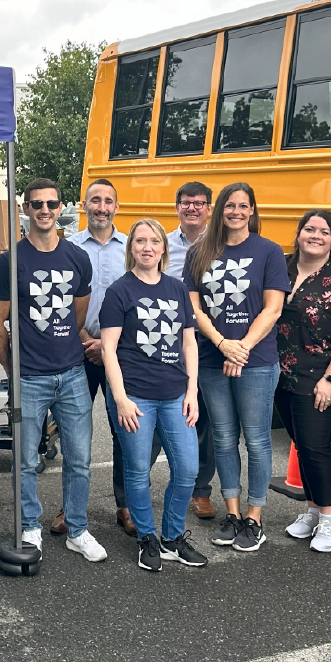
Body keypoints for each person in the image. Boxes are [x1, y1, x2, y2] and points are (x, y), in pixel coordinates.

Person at [0, 177, 107, 563]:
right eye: (36, 204)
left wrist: (63, 344)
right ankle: (31, 528)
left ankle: (77, 529)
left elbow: (79, 313)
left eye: (51, 204)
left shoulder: (77, 258)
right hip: (29, 378)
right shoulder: (9, 262)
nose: (44, 210)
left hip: (72, 373)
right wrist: (12, 367)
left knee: (80, 458)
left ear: (61, 209)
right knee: (24, 462)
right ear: (24, 209)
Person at [49, 178, 159, 539]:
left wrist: (110, 345)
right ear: (83, 206)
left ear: (116, 206)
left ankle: (126, 505)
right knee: (74, 432)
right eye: (94, 200)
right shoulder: (67, 248)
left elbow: (142, 303)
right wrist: (85, 339)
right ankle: (71, 506)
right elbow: (60, 302)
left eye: (108, 201)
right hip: (76, 350)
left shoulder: (131, 248)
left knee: (123, 431)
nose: (101, 207)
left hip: (121, 354)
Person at [185, 182, 288, 552]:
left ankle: (254, 519)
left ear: (253, 211)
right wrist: (222, 344)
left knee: (258, 441)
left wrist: (241, 348)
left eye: (244, 206)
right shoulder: (200, 252)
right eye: (230, 205)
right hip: (214, 359)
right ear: (220, 210)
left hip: (256, 361)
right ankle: (231, 513)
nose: (236, 212)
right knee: (224, 439)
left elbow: (273, 308)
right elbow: (194, 309)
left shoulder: (269, 252)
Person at [101, 218, 205, 572]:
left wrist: (192, 390)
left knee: (187, 469)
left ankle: (173, 538)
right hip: (137, 398)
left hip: (176, 395)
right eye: (140, 241)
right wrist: (120, 398)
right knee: (136, 471)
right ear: (131, 247)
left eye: (154, 241)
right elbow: (109, 350)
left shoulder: (176, 289)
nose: (147, 247)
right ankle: (147, 538)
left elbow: (189, 341)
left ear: (164, 248)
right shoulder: (119, 292)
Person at [275, 210, 331, 552]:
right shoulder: (280, 267)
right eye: (309, 229)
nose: (315, 235)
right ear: (298, 233)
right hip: (282, 375)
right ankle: (313, 509)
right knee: (301, 443)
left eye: (323, 231)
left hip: (322, 377)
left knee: (314, 445)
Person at [165, 181, 218, 520]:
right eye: (187, 202)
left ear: (209, 208)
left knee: (204, 418)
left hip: (208, 342)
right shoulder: (163, 245)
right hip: (166, 343)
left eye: (200, 203)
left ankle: (201, 491)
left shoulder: (222, 244)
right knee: (159, 414)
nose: (193, 208)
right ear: (177, 207)